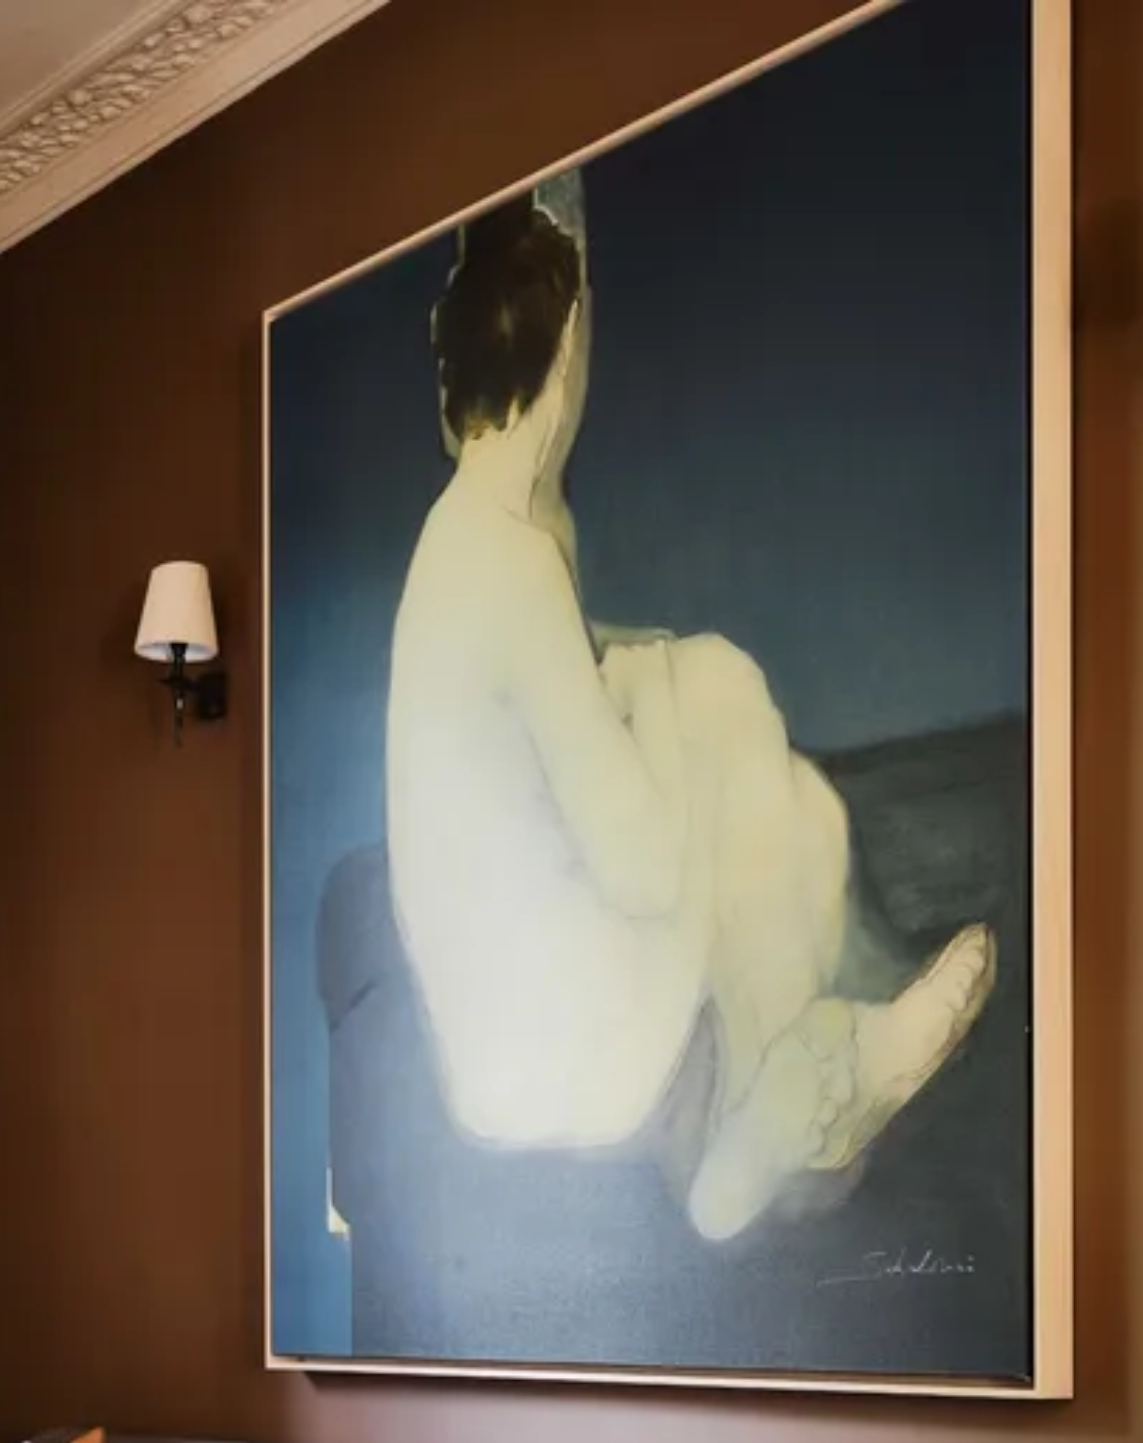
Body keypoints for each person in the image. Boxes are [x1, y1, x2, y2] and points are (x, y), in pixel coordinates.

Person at [385, 189, 996, 1243]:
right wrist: (656, 702)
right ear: (566, 340)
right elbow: (644, 867)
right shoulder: (516, 558)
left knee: (735, 733)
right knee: (718, 692)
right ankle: (780, 1100)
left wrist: (624, 676)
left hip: (488, 1056)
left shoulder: (459, 539)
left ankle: (802, 1072)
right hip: (570, 1056)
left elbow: (533, 695)